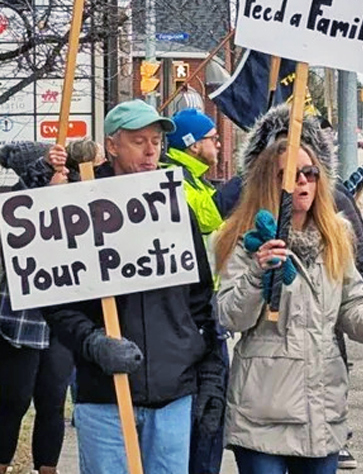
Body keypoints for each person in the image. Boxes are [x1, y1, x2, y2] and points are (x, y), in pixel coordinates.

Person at [42, 100, 225, 474]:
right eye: (139, 141)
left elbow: (200, 300)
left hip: (173, 391)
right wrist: (93, 342)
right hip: (104, 393)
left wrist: (209, 374)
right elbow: (57, 302)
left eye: (156, 141)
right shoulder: (78, 206)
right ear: (112, 145)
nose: (150, 151)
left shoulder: (176, 207)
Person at [214, 107, 363, 474]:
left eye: (309, 173)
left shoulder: (335, 234)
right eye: (290, 175)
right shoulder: (244, 238)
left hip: (321, 402)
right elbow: (230, 316)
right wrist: (257, 273)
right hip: (264, 405)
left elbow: (350, 299)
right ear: (268, 181)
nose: (303, 183)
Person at [0, 140, 95, 474]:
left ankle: (47, 468)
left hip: (63, 317)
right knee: (13, 400)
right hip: (21, 318)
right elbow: (19, 207)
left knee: (53, 400)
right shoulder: (18, 202)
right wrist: (45, 176)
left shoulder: (78, 194)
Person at [161, 108, 227, 474]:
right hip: (189, 309)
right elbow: (210, 215)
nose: (217, 143)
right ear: (191, 143)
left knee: (211, 406)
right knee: (206, 407)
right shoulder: (177, 177)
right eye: (211, 137)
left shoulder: (196, 177)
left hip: (203, 303)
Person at [164, 108, 224, 237]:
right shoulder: (172, 177)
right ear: (194, 145)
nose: (218, 144)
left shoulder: (194, 177)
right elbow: (205, 218)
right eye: (214, 139)